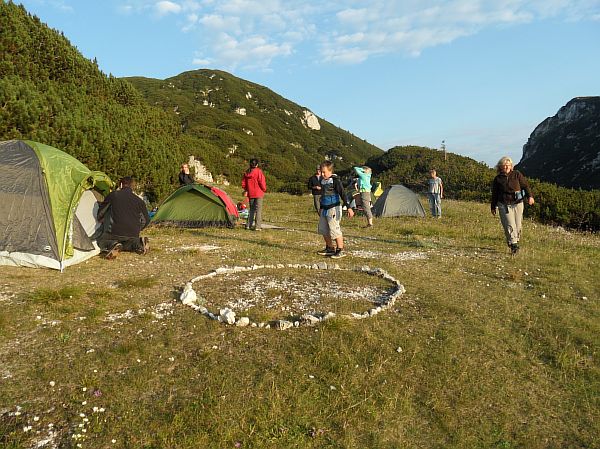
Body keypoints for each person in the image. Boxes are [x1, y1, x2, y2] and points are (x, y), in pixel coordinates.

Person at [97, 177, 150, 259]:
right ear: (132, 186)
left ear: (121, 185)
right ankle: (139, 243)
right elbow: (146, 220)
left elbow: (101, 213)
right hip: (133, 233)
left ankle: (112, 244)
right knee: (126, 244)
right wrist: (137, 229)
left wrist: (100, 219)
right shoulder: (139, 201)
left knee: (101, 241)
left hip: (114, 232)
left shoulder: (113, 195)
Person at [491, 156, 535, 255]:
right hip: (504, 204)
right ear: (500, 167)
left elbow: (525, 185)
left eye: (508, 165)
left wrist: (530, 197)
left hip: (518, 203)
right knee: (510, 224)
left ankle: (515, 241)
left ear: (511, 166)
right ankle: (513, 245)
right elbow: (495, 193)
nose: (506, 167)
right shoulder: (497, 179)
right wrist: (493, 206)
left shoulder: (517, 174)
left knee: (518, 225)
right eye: (504, 165)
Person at [317, 161, 354, 259]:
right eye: (321, 172)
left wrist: (349, 207)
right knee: (323, 229)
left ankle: (340, 249)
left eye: (324, 172)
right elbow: (323, 195)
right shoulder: (323, 180)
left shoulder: (335, 181)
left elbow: (343, 194)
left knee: (334, 229)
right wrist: (321, 208)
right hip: (324, 208)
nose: (322, 174)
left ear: (330, 171)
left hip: (333, 208)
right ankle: (329, 248)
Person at [241, 158, 267, 230]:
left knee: (251, 209)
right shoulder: (258, 171)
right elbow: (262, 182)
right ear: (257, 164)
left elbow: (243, 183)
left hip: (251, 193)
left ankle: (248, 225)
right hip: (258, 193)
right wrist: (264, 189)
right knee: (258, 210)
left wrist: (246, 189)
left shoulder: (247, 172)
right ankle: (257, 227)